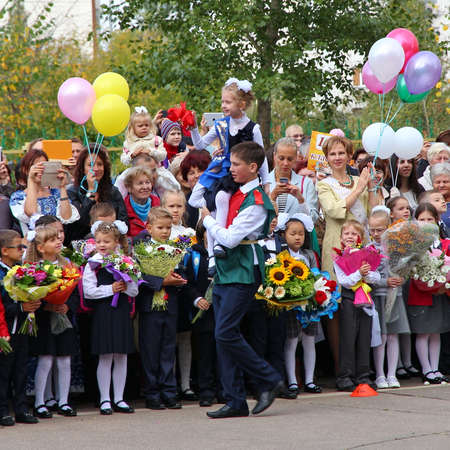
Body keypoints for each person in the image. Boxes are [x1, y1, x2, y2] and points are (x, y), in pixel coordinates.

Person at [201, 142, 283, 419]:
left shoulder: (257, 202)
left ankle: (269, 378)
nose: (231, 168)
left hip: (244, 269)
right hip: (227, 268)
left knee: (225, 332)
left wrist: (207, 221)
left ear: (252, 168)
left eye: (236, 164)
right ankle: (235, 399)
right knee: (223, 337)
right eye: (231, 163)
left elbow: (229, 238)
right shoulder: (235, 192)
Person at [188, 79, 270, 273]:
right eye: (222, 102)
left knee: (221, 198)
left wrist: (266, 183)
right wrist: (192, 128)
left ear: (241, 104)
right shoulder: (221, 124)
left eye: (228, 102)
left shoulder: (253, 128)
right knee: (196, 199)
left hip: (237, 173)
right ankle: (214, 244)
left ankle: (215, 251)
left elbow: (262, 158)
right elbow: (199, 145)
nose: (223, 106)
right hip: (221, 167)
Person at [317, 135, 379, 371]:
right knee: (337, 302)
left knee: (362, 301)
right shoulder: (324, 184)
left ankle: (362, 365)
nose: (337, 157)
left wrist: (371, 187)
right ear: (327, 158)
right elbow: (335, 211)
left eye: (341, 153)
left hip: (362, 247)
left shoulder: (359, 179)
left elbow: (371, 212)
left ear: (349, 155)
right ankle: (340, 366)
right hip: (337, 248)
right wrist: (360, 186)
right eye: (332, 154)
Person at [133, 207, 187, 410]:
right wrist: (161, 281)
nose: (165, 232)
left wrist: (178, 278)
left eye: (168, 228)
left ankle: (169, 391)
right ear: (149, 228)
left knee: (167, 349)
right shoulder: (142, 249)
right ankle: (152, 392)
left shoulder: (174, 249)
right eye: (160, 228)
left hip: (170, 305)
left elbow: (182, 271)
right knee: (150, 350)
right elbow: (139, 276)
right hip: (150, 306)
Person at [83, 221, 138, 415]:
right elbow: (89, 292)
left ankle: (119, 398)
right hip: (103, 312)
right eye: (98, 241)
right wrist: (110, 289)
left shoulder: (125, 261)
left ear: (116, 242)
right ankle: (105, 399)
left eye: (106, 241)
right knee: (105, 356)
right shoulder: (93, 264)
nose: (102, 244)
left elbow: (134, 291)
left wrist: (127, 283)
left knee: (121, 355)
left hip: (122, 311)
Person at [26, 226, 79, 418]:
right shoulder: (34, 269)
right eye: (52, 240)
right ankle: (40, 401)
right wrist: (46, 306)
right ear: (40, 247)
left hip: (64, 319)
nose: (58, 242)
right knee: (46, 359)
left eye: (59, 238)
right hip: (44, 320)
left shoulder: (68, 265)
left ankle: (63, 401)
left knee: (65, 360)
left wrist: (67, 306)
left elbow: (75, 292)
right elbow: (28, 294)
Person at [272, 213, 322, 395]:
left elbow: (316, 276)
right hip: (292, 306)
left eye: (301, 233)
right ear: (284, 234)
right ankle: (292, 381)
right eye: (293, 233)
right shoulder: (282, 256)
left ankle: (309, 380)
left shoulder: (309, 255)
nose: (298, 237)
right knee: (291, 341)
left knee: (309, 340)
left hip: (309, 305)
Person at [333, 220, 380, 391]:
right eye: (347, 234)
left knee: (364, 338)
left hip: (366, 300)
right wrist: (358, 273)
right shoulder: (339, 258)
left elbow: (377, 277)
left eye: (354, 234)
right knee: (348, 337)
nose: (350, 237)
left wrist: (367, 275)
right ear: (341, 237)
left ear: (360, 237)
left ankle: (363, 375)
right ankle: (345, 376)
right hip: (348, 300)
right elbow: (344, 282)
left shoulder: (366, 254)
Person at [0, 230, 39, 426]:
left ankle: (22, 408)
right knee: (4, 371)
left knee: (21, 369)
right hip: (5, 330)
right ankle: (3, 410)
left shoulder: (20, 270)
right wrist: (20, 307)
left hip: (21, 327)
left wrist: (33, 301)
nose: (22, 250)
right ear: (4, 250)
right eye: (19, 247)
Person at [408, 203, 450, 384]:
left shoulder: (444, 243)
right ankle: (426, 369)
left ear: (437, 220)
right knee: (423, 332)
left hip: (440, 293)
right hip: (420, 294)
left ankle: (435, 368)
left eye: (430, 219)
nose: (426, 223)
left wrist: (444, 283)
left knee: (436, 332)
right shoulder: (412, 244)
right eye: (421, 219)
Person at [160, 190, 195, 399]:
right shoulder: (162, 232)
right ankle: (170, 383)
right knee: (169, 339)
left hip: (185, 289)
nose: (175, 210)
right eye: (171, 206)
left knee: (185, 338)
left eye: (179, 206)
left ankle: (185, 384)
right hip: (167, 289)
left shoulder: (189, 232)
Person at [369, 207, 407, 389]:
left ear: (388, 228)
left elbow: (405, 269)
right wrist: (385, 281)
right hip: (378, 296)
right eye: (372, 230)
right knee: (381, 337)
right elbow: (369, 276)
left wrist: (401, 277)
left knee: (393, 336)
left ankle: (392, 374)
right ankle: (380, 374)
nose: (376, 234)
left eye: (379, 230)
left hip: (395, 296)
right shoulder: (369, 249)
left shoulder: (397, 246)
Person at [182, 221, 218, 407]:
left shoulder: (225, 251)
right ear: (202, 232)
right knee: (204, 352)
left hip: (222, 310)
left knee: (223, 351)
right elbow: (186, 281)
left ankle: (225, 389)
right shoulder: (193, 253)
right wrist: (197, 299)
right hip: (201, 311)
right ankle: (206, 390)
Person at [385, 196, 419, 381]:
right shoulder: (389, 233)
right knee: (396, 322)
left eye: (407, 208)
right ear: (391, 213)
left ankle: (408, 361)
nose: (406, 211)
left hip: (409, 280)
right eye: (400, 208)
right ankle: (397, 364)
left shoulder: (412, 231)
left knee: (407, 323)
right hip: (395, 281)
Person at [9, 149, 80, 236]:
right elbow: (32, 213)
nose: (40, 169)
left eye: (44, 165)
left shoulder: (55, 193)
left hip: (57, 241)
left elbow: (67, 217)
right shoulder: (18, 197)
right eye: (35, 166)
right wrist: (31, 180)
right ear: (25, 169)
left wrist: (62, 187)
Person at [67, 145, 128, 241]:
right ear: (82, 168)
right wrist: (91, 190)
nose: (95, 168)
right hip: (83, 241)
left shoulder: (113, 191)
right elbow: (80, 223)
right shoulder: (72, 191)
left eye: (99, 164)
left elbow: (123, 221)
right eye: (90, 165)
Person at [268, 137, 319, 222]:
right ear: (274, 156)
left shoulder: (306, 183)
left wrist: (301, 200)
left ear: (296, 158)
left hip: (296, 234)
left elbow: (313, 218)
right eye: (281, 158)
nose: (285, 163)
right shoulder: (263, 182)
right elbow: (256, 217)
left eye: (290, 159)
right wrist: (272, 197)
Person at [123, 167, 160, 237]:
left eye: (147, 182)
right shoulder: (123, 208)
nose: (145, 187)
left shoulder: (159, 205)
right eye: (140, 183)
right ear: (129, 188)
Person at [179, 150, 211, 229]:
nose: (197, 176)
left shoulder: (219, 196)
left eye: (200, 171)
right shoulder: (184, 203)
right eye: (191, 173)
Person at [430, 163, 450, 229]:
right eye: (438, 182)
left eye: (445, 182)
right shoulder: (428, 204)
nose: (441, 185)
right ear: (432, 184)